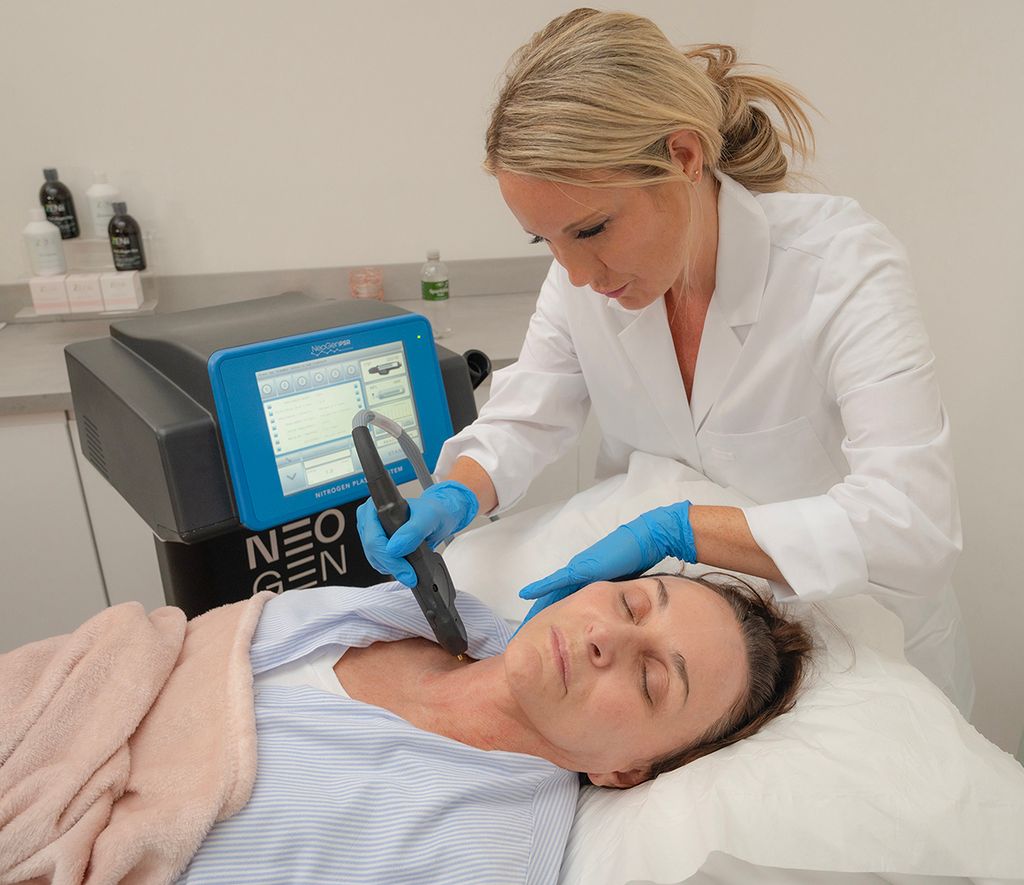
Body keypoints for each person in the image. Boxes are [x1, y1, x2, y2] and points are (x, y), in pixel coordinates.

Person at [356, 8, 972, 714]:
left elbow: (913, 526)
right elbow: (529, 415)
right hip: (675, 664)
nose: (578, 273)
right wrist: (456, 493)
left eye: (592, 228)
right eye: (545, 241)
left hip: (855, 636)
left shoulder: (841, 268)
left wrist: (683, 527)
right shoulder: (583, 278)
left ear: (683, 156)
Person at [179, 573, 812, 881]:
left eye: (651, 680)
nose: (605, 637)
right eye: (632, 604)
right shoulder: (416, 608)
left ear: (624, 771)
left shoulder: (481, 860)